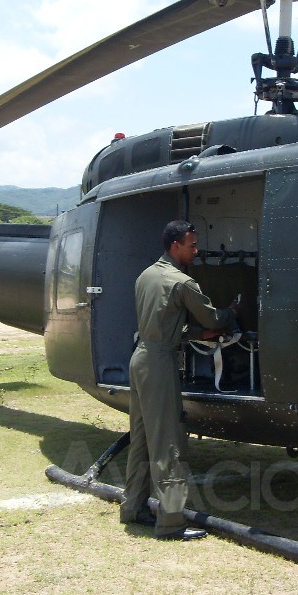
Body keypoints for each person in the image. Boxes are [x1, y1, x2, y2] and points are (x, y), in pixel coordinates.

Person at [120, 220, 239, 540]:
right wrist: (230, 313)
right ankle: (171, 522)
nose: (196, 251)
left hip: (141, 358)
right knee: (168, 442)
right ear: (176, 246)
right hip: (159, 364)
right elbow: (212, 317)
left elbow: (165, 324)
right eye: (192, 246)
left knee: (142, 438)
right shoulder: (182, 282)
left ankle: (133, 507)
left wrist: (197, 333)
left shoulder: (146, 276)